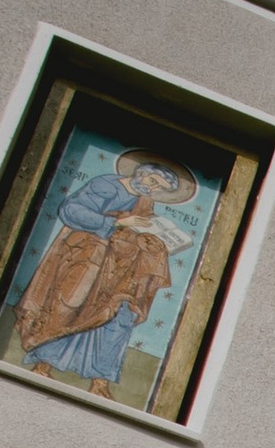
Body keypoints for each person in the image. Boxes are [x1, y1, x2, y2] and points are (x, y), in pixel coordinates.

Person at [11, 150, 198, 399]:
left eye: (159, 188)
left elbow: (137, 230)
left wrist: (154, 242)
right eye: (153, 181)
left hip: (121, 268)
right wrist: (118, 223)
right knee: (68, 306)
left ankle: (100, 382)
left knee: (120, 317)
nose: (152, 188)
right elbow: (71, 210)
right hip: (86, 258)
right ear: (141, 172)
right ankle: (43, 365)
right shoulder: (106, 185)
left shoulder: (145, 202)